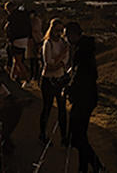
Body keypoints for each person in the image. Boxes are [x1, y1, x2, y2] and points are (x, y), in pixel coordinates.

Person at [65, 21, 106, 173]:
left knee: (77, 137)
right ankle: (84, 168)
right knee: (81, 135)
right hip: (87, 98)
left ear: (74, 35)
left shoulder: (82, 52)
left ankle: (97, 166)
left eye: (67, 35)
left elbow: (81, 77)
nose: (67, 39)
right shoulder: (85, 49)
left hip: (83, 99)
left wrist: (69, 88)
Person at [38, 18, 70, 146]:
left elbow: (62, 62)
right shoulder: (48, 44)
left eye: (61, 31)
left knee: (62, 109)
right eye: (57, 30)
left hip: (60, 79)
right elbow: (49, 64)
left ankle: (64, 137)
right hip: (48, 80)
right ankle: (42, 134)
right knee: (47, 107)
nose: (59, 33)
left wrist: (58, 62)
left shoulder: (62, 42)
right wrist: (61, 56)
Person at [3, 0, 31, 83]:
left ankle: (27, 79)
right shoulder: (23, 14)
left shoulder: (12, 17)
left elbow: (10, 29)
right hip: (25, 39)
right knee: (17, 60)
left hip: (16, 40)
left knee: (18, 62)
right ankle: (13, 77)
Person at [27, 9, 44, 82]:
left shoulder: (36, 21)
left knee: (36, 60)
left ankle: (36, 76)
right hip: (32, 42)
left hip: (37, 41)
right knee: (32, 60)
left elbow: (35, 29)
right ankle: (33, 75)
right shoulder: (31, 21)